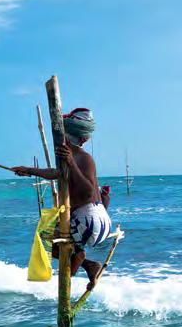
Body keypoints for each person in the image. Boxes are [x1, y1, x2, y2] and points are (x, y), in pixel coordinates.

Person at [11, 108, 112, 289]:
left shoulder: (82, 158)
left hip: (89, 221)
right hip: (96, 221)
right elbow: (57, 173)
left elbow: (88, 192)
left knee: (45, 237)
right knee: (55, 237)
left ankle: (80, 258)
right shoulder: (72, 157)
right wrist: (28, 170)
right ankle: (88, 264)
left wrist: (71, 163)